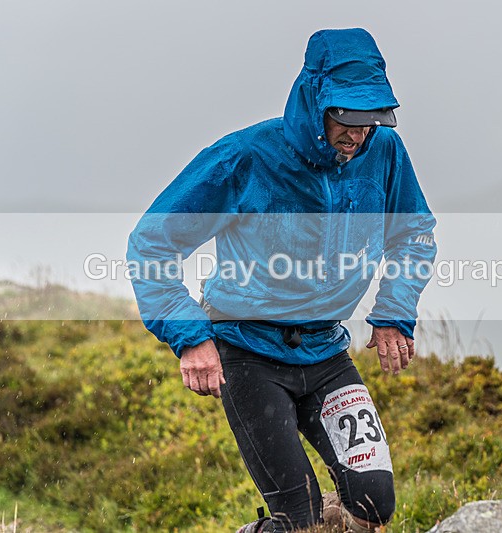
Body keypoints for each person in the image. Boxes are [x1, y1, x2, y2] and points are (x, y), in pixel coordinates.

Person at [127, 28, 436, 533]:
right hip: (248, 356)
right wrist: (191, 337)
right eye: (347, 118)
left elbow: (414, 233)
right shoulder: (245, 157)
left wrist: (395, 313)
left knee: (374, 507)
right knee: (299, 523)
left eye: (373, 119)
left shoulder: (385, 152)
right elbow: (151, 245)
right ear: (315, 99)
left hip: (326, 354)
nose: (359, 135)